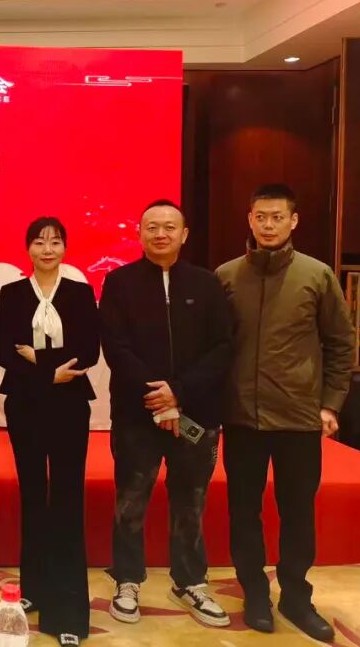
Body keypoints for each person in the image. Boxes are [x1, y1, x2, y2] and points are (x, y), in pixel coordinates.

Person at [216, 184, 354, 642]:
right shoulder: (227, 276)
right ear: (249, 220)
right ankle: (254, 592)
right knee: (244, 511)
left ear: (293, 221)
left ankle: (296, 595)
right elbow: (213, 347)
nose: (268, 225)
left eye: (277, 217)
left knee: (297, 512)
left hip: (298, 416)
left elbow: (340, 342)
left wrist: (330, 403)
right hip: (241, 417)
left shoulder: (316, 275)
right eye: (261, 217)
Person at [100, 200, 233, 630]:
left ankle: (190, 582)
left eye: (169, 227)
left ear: (184, 234)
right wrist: (158, 397)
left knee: (190, 502)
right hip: (137, 415)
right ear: (139, 233)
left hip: (196, 415)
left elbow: (223, 346)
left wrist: (179, 393)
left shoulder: (207, 284)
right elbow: (115, 347)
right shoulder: (119, 282)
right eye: (152, 227)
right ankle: (127, 580)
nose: (161, 234)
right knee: (130, 501)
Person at [0, 217, 99, 647]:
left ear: (65, 248)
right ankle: (35, 586)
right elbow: (3, 351)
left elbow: (88, 351)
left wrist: (36, 360)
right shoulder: (12, 293)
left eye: (56, 241)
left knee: (68, 501)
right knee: (33, 495)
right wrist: (50, 371)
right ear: (28, 249)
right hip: (25, 406)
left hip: (70, 407)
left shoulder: (80, 293)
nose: (48, 249)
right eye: (39, 242)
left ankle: (68, 611)